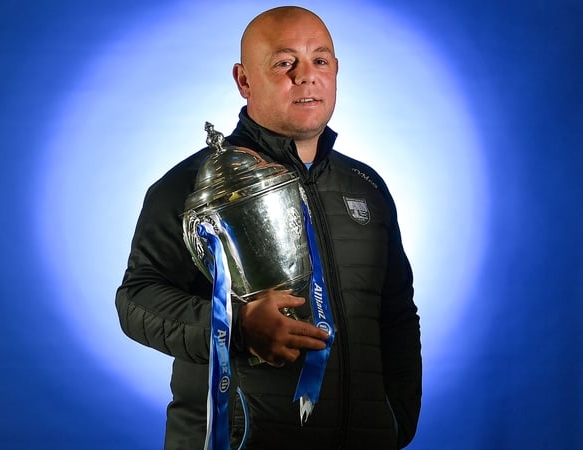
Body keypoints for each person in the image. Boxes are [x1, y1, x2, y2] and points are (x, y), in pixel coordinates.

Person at [115, 5, 421, 449]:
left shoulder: (366, 185)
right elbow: (137, 300)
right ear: (243, 80)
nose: (306, 76)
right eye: (284, 63)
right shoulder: (193, 186)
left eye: (320, 60)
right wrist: (233, 326)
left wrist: (394, 421)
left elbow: (396, 313)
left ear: (335, 70)